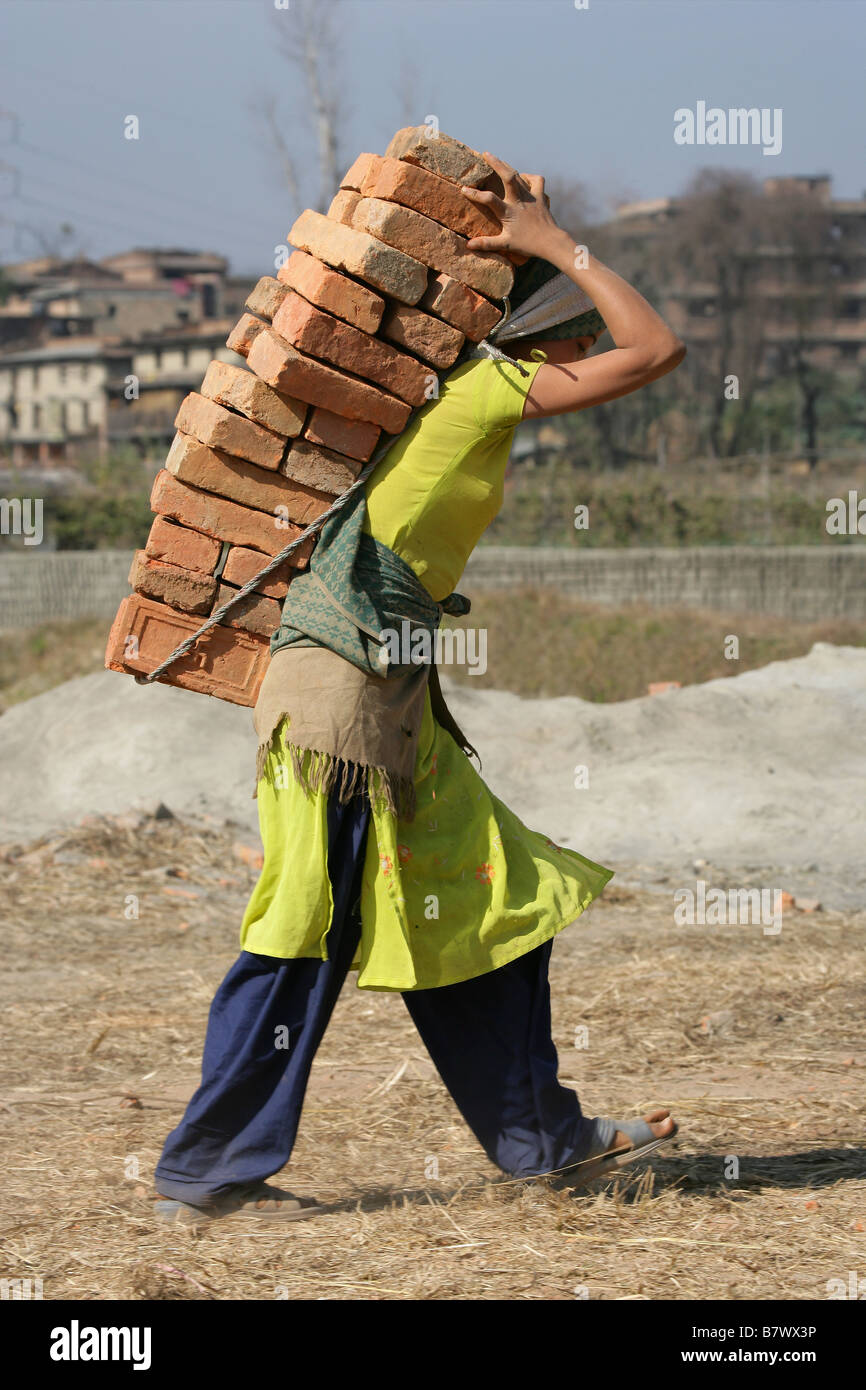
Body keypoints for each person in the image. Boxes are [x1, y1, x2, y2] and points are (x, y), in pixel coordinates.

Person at [153, 153, 687, 1223]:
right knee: (305, 926)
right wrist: (553, 244)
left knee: (487, 897)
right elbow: (654, 348)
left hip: (389, 693)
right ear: (524, 328)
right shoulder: (485, 385)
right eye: (560, 319)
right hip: (337, 698)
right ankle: (208, 1172)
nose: (576, 342)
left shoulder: (446, 400)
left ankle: (546, 1143)